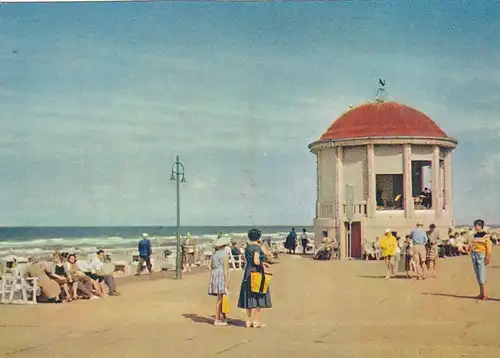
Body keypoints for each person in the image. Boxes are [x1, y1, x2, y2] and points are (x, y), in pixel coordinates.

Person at [238, 229, 272, 328]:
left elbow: (247, 260)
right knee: (258, 297)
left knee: (248, 296)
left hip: (248, 272)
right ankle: (256, 321)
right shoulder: (257, 248)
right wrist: (263, 263)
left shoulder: (247, 247)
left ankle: (248, 321)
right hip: (256, 272)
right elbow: (256, 261)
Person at [208, 236, 230, 326]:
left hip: (215, 274)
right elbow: (225, 270)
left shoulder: (214, 254)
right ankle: (217, 319)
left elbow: (209, 266)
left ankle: (223, 317)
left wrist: (214, 270)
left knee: (220, 297)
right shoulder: (225, 255)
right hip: (221, 275)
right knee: (220, 298)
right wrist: (227, 281)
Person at [470, 219, 492, 300]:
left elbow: (488, 247)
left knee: (482, 273)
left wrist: (488, 257)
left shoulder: (485, 236)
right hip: (474, 254)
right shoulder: (475, 235)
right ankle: (481, 293)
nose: (476, 227)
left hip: (481, 255)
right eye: (475, 225)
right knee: (477, 274)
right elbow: (472, 245)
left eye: (477, 225)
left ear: (481, 226)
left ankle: (484, 294)